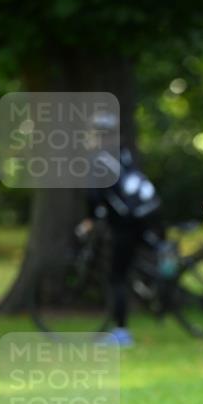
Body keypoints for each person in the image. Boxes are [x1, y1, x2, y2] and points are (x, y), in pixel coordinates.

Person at [78, 112, 163, 346]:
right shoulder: (122, 153)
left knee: (117, 276)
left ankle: (122, 332)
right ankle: (160, 289)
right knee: (148, 255)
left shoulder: (98, 159)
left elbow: (95, 195)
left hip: (124, 224)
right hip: (145, 214)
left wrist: (90, 219)